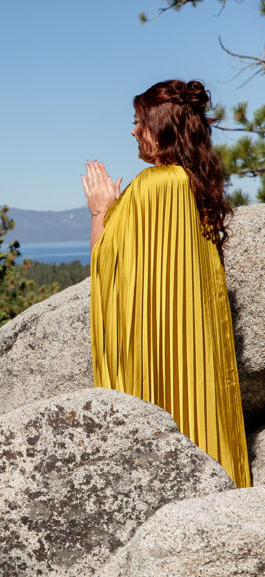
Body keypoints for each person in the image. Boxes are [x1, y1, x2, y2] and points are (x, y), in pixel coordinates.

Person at [84, 79, 250, 488]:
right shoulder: (196, 183)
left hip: (158, 351)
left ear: (162, 126)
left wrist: (99, 211)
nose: (133, 130)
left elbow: (105, 265)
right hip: (198, 345)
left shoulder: (152, 185)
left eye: (140, 121)